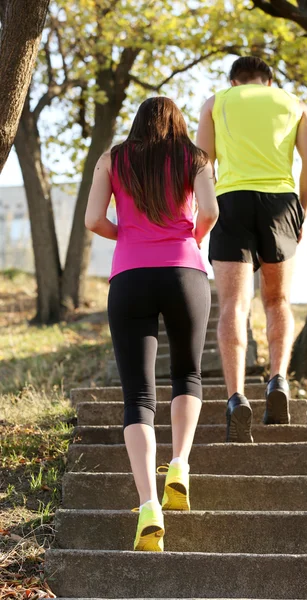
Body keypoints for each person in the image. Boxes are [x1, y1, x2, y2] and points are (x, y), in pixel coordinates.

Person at [85, 97, 218, 552]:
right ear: (178, 122)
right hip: (185, 273)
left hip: (130, 278)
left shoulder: (113, 158)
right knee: (188, 374)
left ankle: (147, 507)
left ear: (137, 122)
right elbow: (211, 212)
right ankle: (179, 464)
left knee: (138, 397)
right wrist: (189, 239)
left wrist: (128, 234)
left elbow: (92, 220)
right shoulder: (194, 157)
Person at [196, 56, 307, 442]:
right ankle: (277, 380)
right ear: (269, 81)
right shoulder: (294, 104)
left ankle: (236, 398)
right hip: (281, 203)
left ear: (235, 82)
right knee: (277, 300)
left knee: (234, 303)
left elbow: (202, 163)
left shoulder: (217, 102)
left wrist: (204, 213)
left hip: (231, 201)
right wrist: (301, 212)